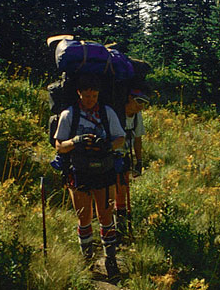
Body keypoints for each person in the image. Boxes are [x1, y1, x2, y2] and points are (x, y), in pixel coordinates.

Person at [54, 74, 125, 277]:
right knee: (84, 217)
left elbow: (120, 138)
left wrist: (107, 145)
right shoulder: (69, 115)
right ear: (79, 93)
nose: (90, 100)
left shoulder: (107, 112)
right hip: (79, 172)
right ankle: (87, 262)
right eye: (86, 96)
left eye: (94, 96)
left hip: (104, 170)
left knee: (105, 216)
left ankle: (110, 260)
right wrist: (76, 141)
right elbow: (59, 145)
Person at [115, 88, 149, 243]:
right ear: (130, 98)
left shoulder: (137, 117)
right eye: (139, 102)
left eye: (144, 104)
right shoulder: (115, 112)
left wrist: (139, 162)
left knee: (122, 192)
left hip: (125, 157)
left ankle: (120, 229)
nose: (140, 106)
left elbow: (138, 139)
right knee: (110, 192)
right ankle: (111, 228)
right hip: (110, 156)